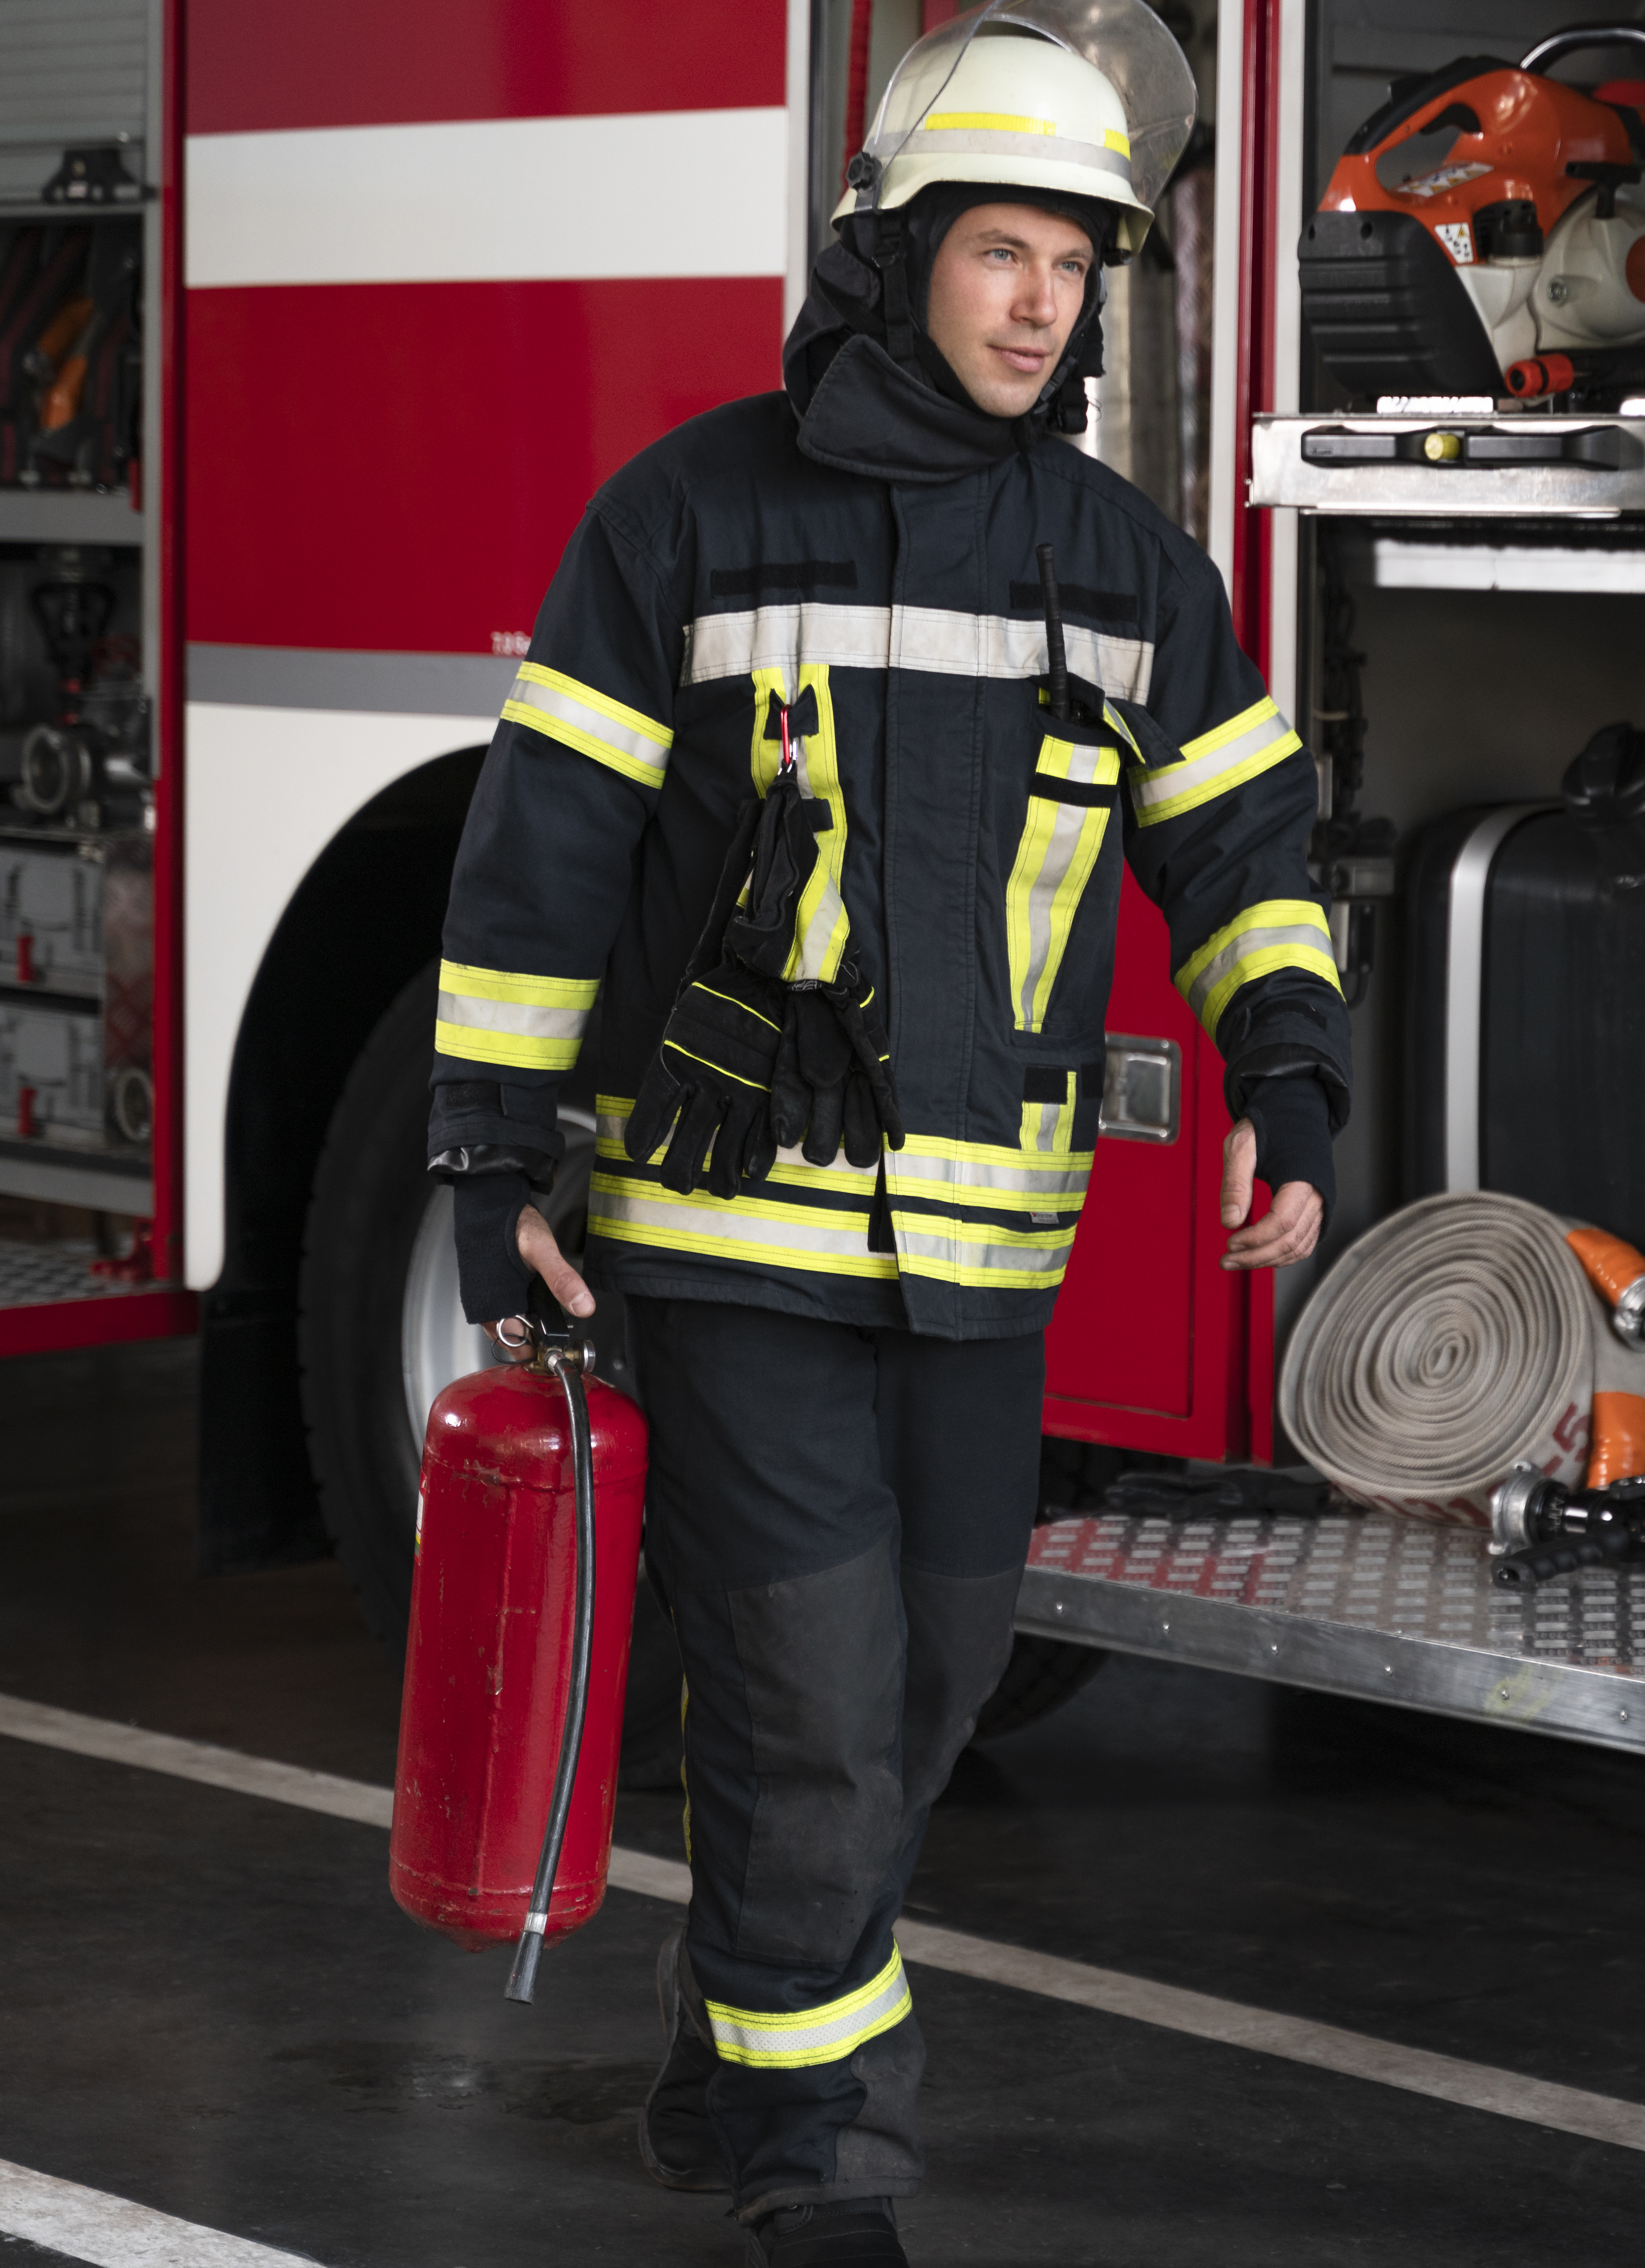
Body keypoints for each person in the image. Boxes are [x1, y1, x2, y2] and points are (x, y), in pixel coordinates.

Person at [424, 4, 1350, 2259]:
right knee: (821, 1697)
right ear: (901, 256)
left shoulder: (1130, 567)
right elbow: (542, 859)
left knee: (922, 1688)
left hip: (976, 1267)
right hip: (726, 1229)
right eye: (1004, 252)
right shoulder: (684, 515)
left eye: (1077, 266)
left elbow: (1241, 846)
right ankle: (826, 2170)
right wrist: (485, 1154)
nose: (1044, 304)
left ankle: (733, 2047)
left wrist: (1291, 1077)